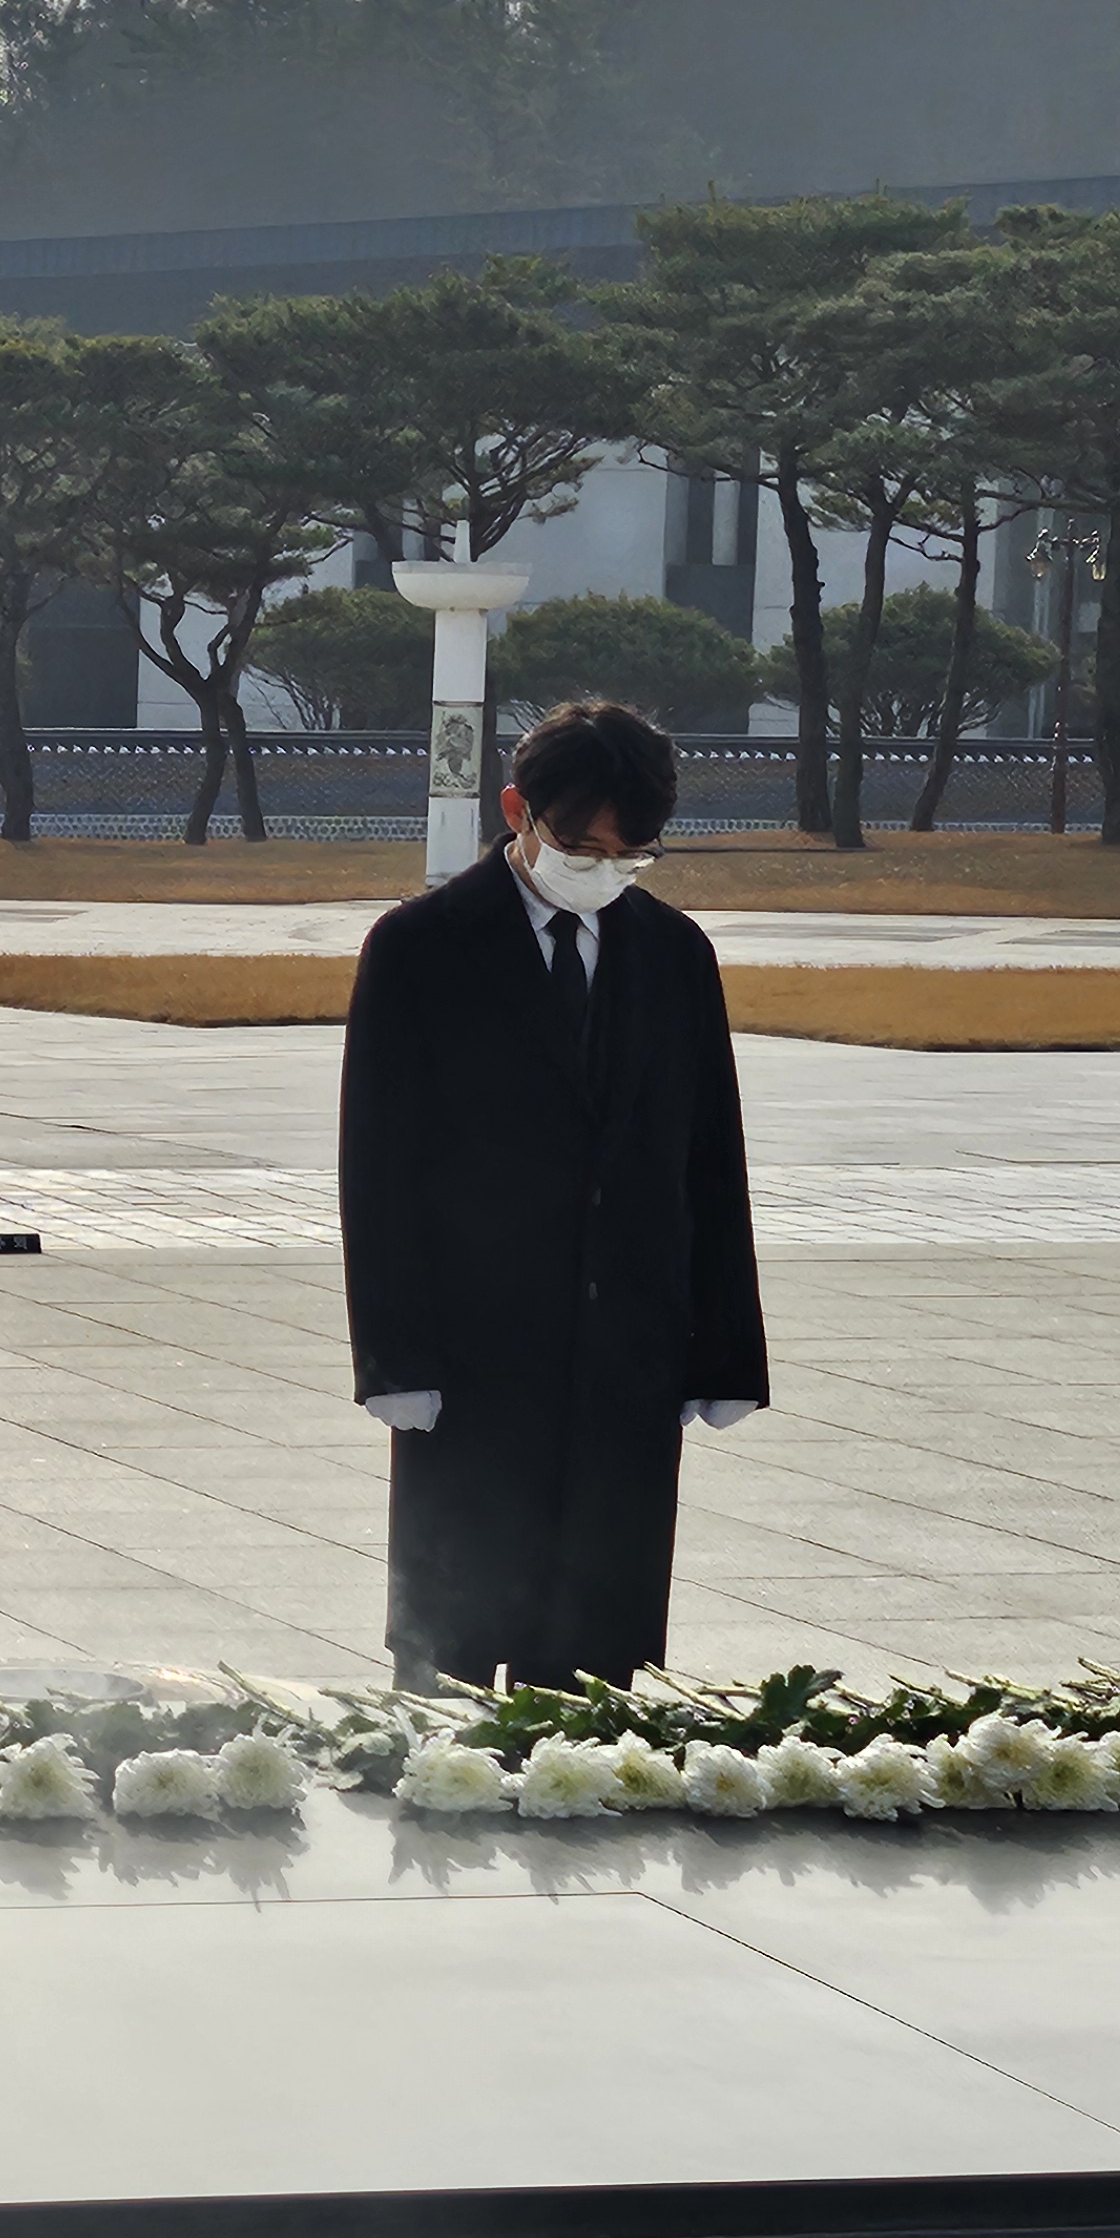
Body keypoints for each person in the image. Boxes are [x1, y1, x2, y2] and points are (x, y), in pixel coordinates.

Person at [340, 699, 768, 1691]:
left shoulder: (673, 955)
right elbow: (379, 1163)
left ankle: (597, 1777)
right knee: (460, 1616)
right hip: (472, 1344)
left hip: (629, 1343)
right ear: (515, 810)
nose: (601, 870)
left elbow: (708, 1157)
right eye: (578, 846)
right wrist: (393, 1358)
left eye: (631, 855)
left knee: (605, 1621)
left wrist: (722, 1351)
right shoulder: (420, 948)